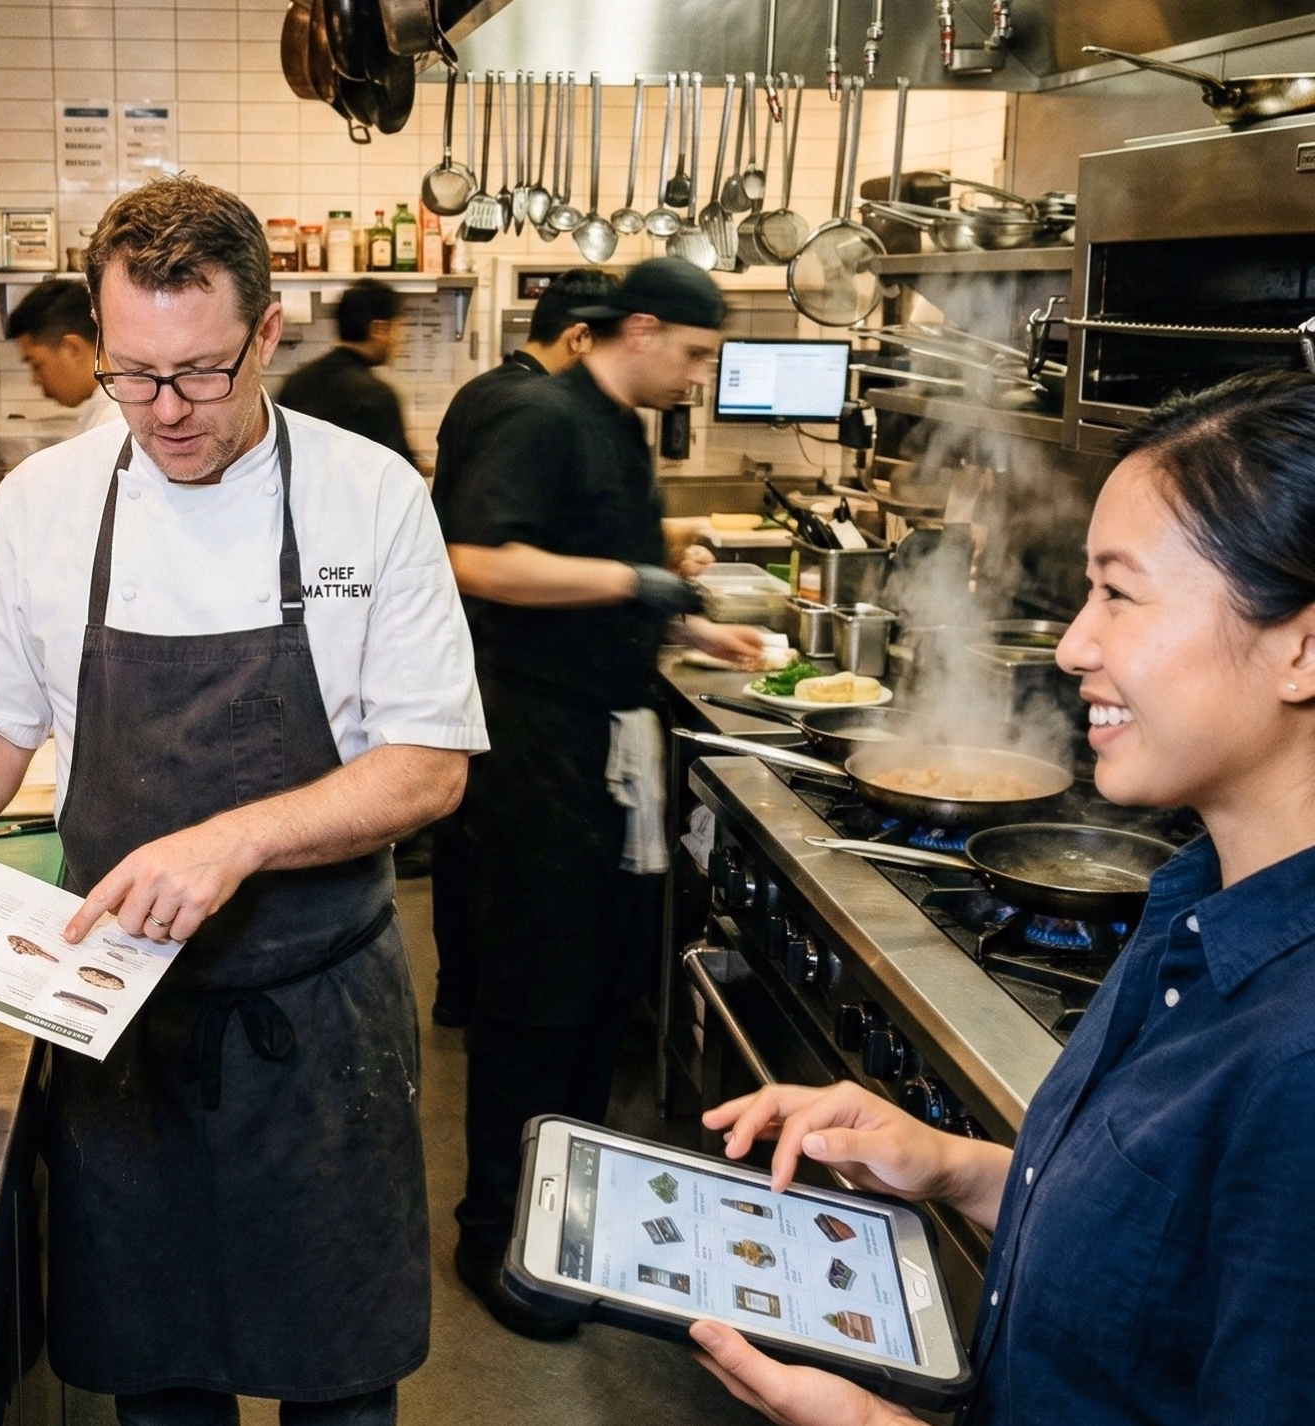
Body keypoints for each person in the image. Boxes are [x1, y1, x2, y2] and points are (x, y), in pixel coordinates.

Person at [0, 177, 487, 1426]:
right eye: (131, 375)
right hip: (114, 1016)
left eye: (198, 373)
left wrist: (237, 838)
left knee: (337, 1384)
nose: (165, 413)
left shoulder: (372, 496)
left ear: (268, 331)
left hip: (318, 1015)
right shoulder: (45, 504)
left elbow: (430, 764)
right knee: (158, 1388)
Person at [691, 368, 1315, 1426]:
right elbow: (1158, 1269)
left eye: (1116, 592)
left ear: (1300, 644)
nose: (1072, 644)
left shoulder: (1297, 1057)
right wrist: (950, 1165)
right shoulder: (1193, 897)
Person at [443, 259, 766, 1339]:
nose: (697, 376)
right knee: (536, 1005)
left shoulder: (618, 425)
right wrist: (638, 585)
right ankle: (494, 1242)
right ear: (637, 327)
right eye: (692, 354)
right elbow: (473, 560)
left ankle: (565, 1226)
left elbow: (610, 565)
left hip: (613, 753)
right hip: (537, 755)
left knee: (596, 996)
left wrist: (690, 624)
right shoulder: (538, 414)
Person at [426, 265, 621, 1028]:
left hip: (464, 649)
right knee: (501, 849)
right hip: (500, 658)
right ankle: (497, 1003)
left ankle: (460, 990)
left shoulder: (482, 390)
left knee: (464, 835)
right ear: (577, 337)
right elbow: (482, 552)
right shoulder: (535, 409)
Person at [0, 277, 122, 598]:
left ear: (72, 348)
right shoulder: (100, 410)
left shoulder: (116, 420)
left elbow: (88, 547)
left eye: (36, 364)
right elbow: (69, 521)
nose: (35, 380)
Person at [276, 278, 415, 466]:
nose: (400, 340)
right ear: (379, 329)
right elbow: (400, 479)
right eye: (399, 329)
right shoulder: (377, 397)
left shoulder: (296, 383)